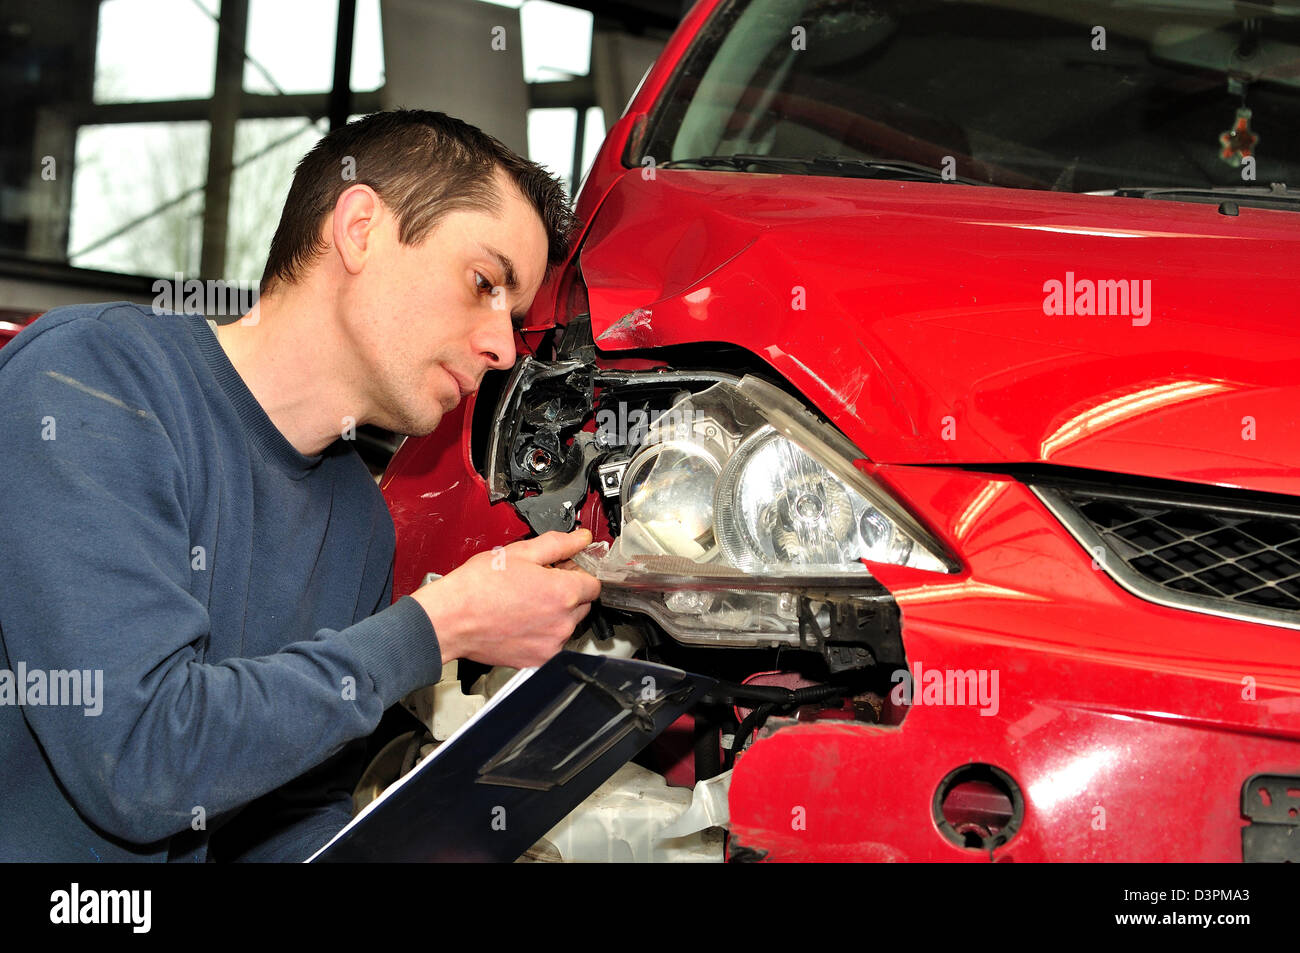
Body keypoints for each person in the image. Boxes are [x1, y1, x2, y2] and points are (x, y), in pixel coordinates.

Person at [0, 109, 601, 862]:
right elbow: (141, 761)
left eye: (513, 318)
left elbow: (284, 822)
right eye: (483, 282)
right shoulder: (93, 385)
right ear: (359, 228)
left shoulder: (358, 522)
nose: (503, 348)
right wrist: (436, 626)